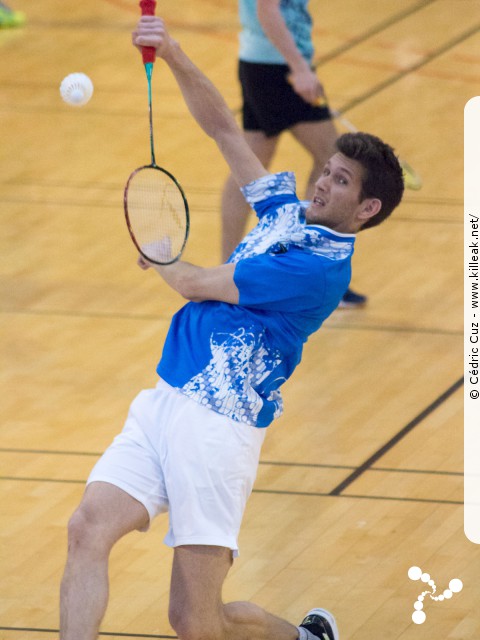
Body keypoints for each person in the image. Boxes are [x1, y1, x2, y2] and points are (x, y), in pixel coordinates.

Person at [59, 15, 404, 640]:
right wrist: (175, 54)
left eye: (342, 182)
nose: (323, 181)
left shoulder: (317, 270)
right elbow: (223, 128)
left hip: (219, 428)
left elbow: (196, 284)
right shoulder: (287, 211)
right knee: (86, 529)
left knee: (196, 622)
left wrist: (163, 254)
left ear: (368, 208)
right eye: (327, 170)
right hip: (166, 400)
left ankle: (302, 638)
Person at [220, 0, 366, 308]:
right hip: (276, 68)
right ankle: (315, 267)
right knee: (332, 155)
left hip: (266, 64)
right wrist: (299, 68)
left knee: (249, 165)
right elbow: (266, 9)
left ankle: (228, 273)